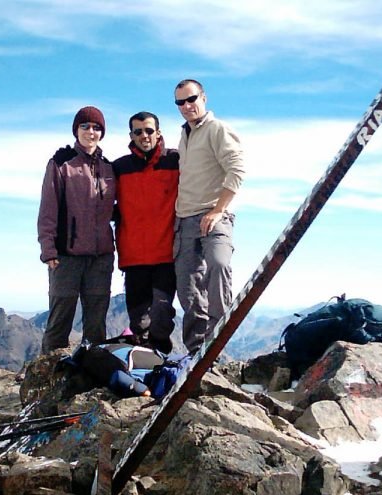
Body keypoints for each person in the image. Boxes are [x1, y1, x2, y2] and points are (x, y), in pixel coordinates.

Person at [173, 79, 245, 353]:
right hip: (184, 220)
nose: (186, 106)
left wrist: (218, 210)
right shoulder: (184, 135)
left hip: (214, 216)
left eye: (191, 99)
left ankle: (218, 342)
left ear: (203, 97)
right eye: (180, 102)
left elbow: (237, 169)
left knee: (218, 266)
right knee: (188, 287)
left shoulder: (217, 129)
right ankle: (194, 352)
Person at [37, 106, 116, 353]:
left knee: (95, 325)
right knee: (60, 321)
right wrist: (49, 250)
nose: (90, 132)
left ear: (101, 133)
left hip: (100, 257)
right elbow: (48, 209)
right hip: (66, 257)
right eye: (85, 126)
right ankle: (46, 381)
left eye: (96, 128)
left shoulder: (108, 168)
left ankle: (91, 378)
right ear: (76, 130)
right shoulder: (61, 163)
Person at [112, 111, 180, 354]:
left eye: (149, 130)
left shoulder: (176, 161)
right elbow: (99, 196)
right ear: (131, 135)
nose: (144, 135)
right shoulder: (119, 167)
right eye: (138, 131)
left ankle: (161, 359)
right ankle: (144, 367)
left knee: (162, 315)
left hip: (166, 254)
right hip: (133, 256)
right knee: (139, 321)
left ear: (159, 133)